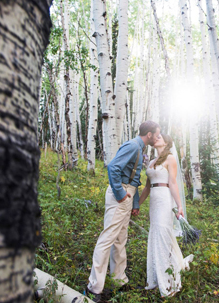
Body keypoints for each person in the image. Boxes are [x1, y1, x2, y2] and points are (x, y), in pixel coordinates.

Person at [86, 121, 160, 302]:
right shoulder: (133, 145)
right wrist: (120, 194)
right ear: (149, 134)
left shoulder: (140, 149)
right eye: (157, 134)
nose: (158, 137)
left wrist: (135, 203)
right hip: (120, 195)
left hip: (127, 196)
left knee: (120, 239)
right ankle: (94, 287)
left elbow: (134, 179)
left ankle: (119, 279)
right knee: (107, 238)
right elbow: (113, 167)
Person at [139, 133, 194, 297]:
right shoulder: (152, 161)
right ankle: (157, 276)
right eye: (155, 137)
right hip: (154, 201)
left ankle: (169, 282)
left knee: (164, 234)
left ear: (167, 142)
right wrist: (137, 205)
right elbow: (148, 187)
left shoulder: (170, 158)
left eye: (159, 137)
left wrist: (179, 206)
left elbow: (172, 183)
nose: (156, 138)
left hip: (165, 199)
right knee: (157, 234)